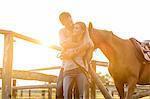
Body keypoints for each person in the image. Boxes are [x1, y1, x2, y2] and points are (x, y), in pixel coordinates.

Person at [60, 21, 94, 99]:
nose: (74, 30)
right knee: (66, 95)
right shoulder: (67, 41)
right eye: (74, 28)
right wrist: (79, 49)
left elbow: (88, 58)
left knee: (81, 96)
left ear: (82, 31)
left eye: (76, 28)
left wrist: (88, 48)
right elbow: (62, 55)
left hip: (80, 70)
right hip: (68, 70)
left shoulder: (87, 43)